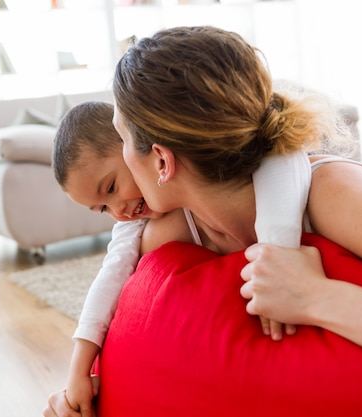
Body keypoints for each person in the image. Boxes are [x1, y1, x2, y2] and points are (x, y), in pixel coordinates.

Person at [111, 25, 362, 376]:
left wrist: (314, 297)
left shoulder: (334, 193)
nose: (120, 155)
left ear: (162, 161)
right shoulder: (170, 234)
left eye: (121, 137)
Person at [49, 100, 312, 416]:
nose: (118, 210)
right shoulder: (140, 226)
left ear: (137, 147)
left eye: (112, 187)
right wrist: (79, 367)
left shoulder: (210, 167)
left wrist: (277, 250)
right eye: (103, 208)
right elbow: (110, 276)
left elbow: (281, 155)